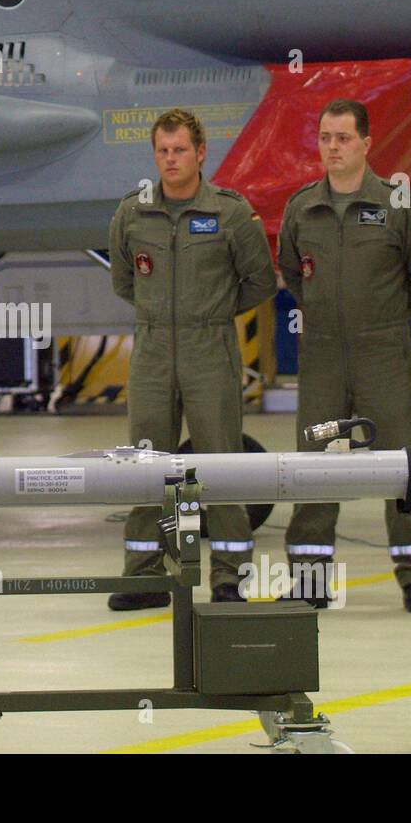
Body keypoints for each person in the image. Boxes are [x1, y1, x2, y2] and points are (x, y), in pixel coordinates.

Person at [276, 99, 411, 612]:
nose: (333, 147)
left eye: (343, 138)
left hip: (383, 354)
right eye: (325, 137)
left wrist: (383, 317)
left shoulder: (397, 205)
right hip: (324, 355)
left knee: (402, 464)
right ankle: (309, 578)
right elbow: (291, 272)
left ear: (367, 144)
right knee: (314, 466)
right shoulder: (302, 207)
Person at [107, 108, 277, 609]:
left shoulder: (229, 212)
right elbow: (124, 280)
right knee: (145, 463)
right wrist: (161, 314)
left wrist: (215, 312)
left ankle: (229, 576)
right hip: (154, 349)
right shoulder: (132, 213)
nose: (171, 159)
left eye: (180, 150)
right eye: (162, 150)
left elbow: (260, 281)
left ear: (201, 153)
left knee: (220, 463)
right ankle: (144, 576)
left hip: (210, 349)